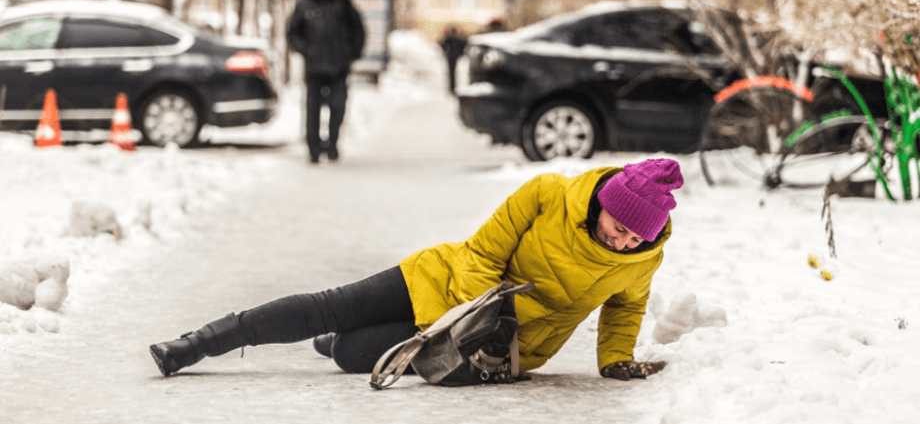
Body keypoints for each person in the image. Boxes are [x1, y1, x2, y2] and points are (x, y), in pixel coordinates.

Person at [149, 158, 682, 382]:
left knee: (349, 354)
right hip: (448, 283)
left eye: (637, 237)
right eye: (619, 226)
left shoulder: (642, 259)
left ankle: (334, 340)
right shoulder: (547, 195)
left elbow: (626, 307)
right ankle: (198, 343)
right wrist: (482, 312)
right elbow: (482, 253)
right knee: (329, 304)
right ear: (601, 202)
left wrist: (615, 359)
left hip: (501, 346)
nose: (625, 240)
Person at [286, 0, 365, 164]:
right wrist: (305, 50)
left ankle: (332, 144)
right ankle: (313, 149)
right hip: (314, 68)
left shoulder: (342, 1)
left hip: (338, 66)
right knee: (312, 110)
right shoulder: (303, 4)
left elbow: (358, 28)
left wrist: (352, 53)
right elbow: (292, 33)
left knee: (338, 107)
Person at [439, 26, 467, 95]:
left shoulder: (451, 39)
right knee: (452, 72)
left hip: (451, 57)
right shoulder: (453, 39)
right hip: (453, 57)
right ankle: (452, 87)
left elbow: (442, 44)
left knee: (452, 72)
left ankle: (452, 87)